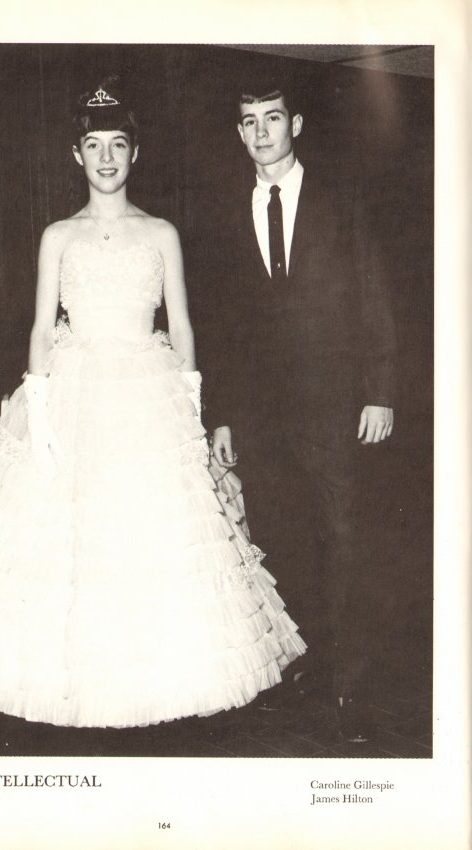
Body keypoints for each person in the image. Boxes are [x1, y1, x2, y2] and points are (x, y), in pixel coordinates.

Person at [0, 77, 305, 730]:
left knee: (154, 532)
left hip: (147, 392)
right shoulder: (58, 235)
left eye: (118, 144)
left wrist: (189, 407)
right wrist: (38, 412)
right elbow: (41, 329)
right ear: (77, 156)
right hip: (71, 388)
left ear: (134, 154)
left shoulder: (162, 233)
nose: (107, 157)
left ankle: (150, 681)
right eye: (94, 146)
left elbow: (181, 325)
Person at [203, 81, 396, 742]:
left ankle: (350, 681)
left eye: (272, 119)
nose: (261, 132)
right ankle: (301, 667)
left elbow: (373, 293)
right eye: (248, 121)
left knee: (343, 535)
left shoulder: (340, 201)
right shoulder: (225, 212)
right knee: (281, 536)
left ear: (297, 125)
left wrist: (379, 390)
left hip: (333, 405)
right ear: (239, 133)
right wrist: (224, 415)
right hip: (260, 414)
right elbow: (222, 324)